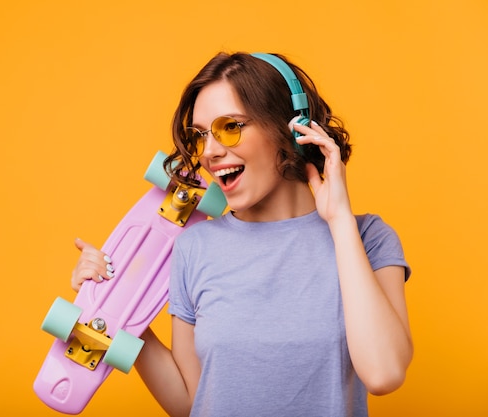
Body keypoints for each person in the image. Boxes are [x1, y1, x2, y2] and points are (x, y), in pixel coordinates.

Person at [71, 51, 413, 417]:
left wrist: (340, 220)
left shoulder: (368, 238)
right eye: (201, 136)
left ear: (291, 128)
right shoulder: (194, 248)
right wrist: (116, 308)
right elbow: (192, 401)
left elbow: (384, 373)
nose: (211, 152)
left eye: (229, 127)